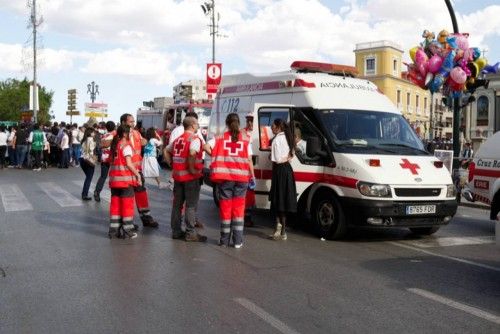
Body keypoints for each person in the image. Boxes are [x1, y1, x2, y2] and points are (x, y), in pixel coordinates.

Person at [205, 113, 254, 248]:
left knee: (226, 209)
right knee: (238, 210)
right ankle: (237, 241)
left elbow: (205, 146)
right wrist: (252, 175)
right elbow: (249, 159)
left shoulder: (220, 138)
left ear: (227, 123)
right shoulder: (245, 138)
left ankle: (224, 240)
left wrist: (215, 154)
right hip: (242, 178)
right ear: (238, 123)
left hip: (226, 178)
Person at [164, 116, 207, 242]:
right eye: (197, 124)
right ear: (193, 125)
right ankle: (190, 233)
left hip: (178, 177)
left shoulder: (178, 139)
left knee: (177, 206)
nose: (198, 126)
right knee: (191, 206)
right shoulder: (195, 139)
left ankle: (176, 231)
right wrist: (192, 169)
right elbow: (192, 153)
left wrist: (170, 164)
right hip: (191, 178)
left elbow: (166, 151)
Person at [120, 113, 158, 228]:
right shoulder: (119, 135)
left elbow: (143, 142)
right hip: (126, 171)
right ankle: (127, 222)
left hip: (136, 169)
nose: (133, 123)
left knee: (141, 194)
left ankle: (146, 218)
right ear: (123, 123)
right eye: (130, 121)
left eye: (133, 121)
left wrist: (144, 141)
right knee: (128, 198)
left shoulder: (136, 133)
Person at [108, 125, 141, 239]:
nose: (132, 134)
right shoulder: (126, 146)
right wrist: (137, 174)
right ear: (125, 134)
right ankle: (128, 231)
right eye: (130, 132)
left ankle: (113, 231)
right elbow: (129, 163)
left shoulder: (115, 146)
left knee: (115, 207)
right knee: (127, 207)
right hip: (125, 182)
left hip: (114, 182)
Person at [269, 118, 297, 241]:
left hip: (279, 170)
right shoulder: (289, 137)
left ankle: (277, 229)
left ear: (278, 127)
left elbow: (275, 159)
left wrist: (270, 156)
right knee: (284, 199)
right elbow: (291, 156)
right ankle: (283, 231)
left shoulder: (276, 140)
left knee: (277, 199)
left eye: (272, 126)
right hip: (288, 170)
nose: (271, 128)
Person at [94, 121, 116, 202]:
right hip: (113, 157)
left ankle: (97, 191)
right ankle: (115, 194)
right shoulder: (114, 134)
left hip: (104, 157)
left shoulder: (104, 135)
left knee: (103, 176)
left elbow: (101, 145)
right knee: (115, 176)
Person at [242, 113, 256, 227]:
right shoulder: (243, 133)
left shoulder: (262, 131)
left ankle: (247, 215)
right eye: (248, 120)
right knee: (246, 194)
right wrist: (253, 174)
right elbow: (249, 158)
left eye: (252, 120)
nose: (250, 123)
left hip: (252, 167)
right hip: (245, 168)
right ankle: (245, 217)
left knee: (250, 195)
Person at [79, 128, 97, 200]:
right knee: (89, 178)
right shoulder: (91, 140)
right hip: (88, 160)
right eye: (93, 132)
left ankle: (84, 193)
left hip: (82, 159)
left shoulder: (84, 140)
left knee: (88, 177)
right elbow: (91, 150)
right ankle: (84, 194)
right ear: (90, 133)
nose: (94, 134)